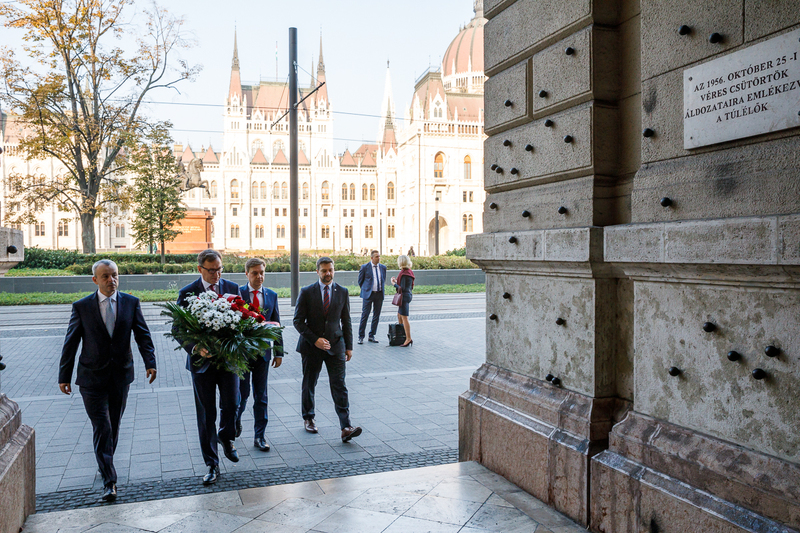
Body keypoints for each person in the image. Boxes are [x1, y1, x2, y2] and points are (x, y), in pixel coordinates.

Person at [59, 260, 156, 502]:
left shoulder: (131, 303)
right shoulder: (82, 307)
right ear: (95, 280)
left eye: (114, 275)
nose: (111, 280)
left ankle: (105, 464)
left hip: (121, 375)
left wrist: (150, 362)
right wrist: (64, 376)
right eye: (105, 276)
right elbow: (70, 343)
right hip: (91, 377)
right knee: (102, 427)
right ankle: (109, 481)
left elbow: (143, 334)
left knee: (113, 425)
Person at [176, 249, 241, 485]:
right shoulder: (187, 293)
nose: (216, 274)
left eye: (220, 269)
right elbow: (178, 329)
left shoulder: (232, 288)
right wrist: (196, 348)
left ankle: (226, 435)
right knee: (206, 415)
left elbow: (243, 320)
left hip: (228, 361)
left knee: (233, 404)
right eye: (211, 270)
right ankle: (212, 464)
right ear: (200, 269)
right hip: (201, 364)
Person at [293, 257, 362, 442]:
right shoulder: (307, 292)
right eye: (324, 270)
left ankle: (346, 426)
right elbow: (297, 321)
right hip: (311, 347)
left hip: (336, 345)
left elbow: (346, 320)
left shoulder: (343, 292)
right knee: (309, 383)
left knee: (339, 385)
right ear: (317, 272)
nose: (327, 273)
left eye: (330, 270)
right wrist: (315, 340)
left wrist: (349, 346)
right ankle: (308, 418)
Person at [235, 258, 283, 452]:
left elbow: (276, 324)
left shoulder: (271, 295)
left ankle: (259, 436)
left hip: (263, 354)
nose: (259, 276)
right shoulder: (238, 294)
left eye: (262, 272)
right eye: (255, 273)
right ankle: (235, 420)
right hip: (243, 354)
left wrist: (279, 352)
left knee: (261, 396)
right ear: (247, 274)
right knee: (243, 393)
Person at [356, 250, 387, 344]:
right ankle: (361, 336)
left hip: (379, 294)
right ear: (372, 258)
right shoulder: (365, 267)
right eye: (376, 256)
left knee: (376, 315)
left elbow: (383, 279)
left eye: (379, 256)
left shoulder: (383, 267)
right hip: (368, 295)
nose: (378, 258)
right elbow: (360, 281)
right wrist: (366, 289)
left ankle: (372, 335)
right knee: (365, 315)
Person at [391, 255, 415, 347]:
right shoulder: (408, 272)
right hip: (407, 295)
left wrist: (394, 284)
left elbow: (402, 288)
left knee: (404, 317)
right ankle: (403, 334)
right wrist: (397, 281)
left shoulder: (404, 273)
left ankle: (408, 338)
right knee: (399, 315)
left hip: (404, 296)